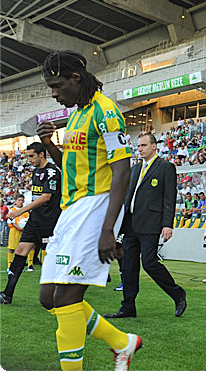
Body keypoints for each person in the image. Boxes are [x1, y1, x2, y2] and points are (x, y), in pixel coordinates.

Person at [36, 50, 142, 370]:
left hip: (96, 207)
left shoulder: (106, 111)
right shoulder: (77, 114)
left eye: (57, 86)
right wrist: (50, 145)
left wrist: (108, 229)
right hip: (71, 208)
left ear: (75, 79)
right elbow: (70, 166)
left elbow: (122, 170)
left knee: (66, 298)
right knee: (48, 297)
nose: (54, 94)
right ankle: (122, 343)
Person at [105, 134, 186, 319]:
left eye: (143, 145)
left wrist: (167, 224)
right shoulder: (135, 169)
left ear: (154, 146)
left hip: (151, 223)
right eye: (138, 146)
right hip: (130, 224)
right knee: (128, 266)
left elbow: (169, 198)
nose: (139, 149)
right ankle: (128, 307)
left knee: (149, 263)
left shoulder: (165, 167)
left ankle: (178, 294)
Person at [1, 143, 62, 305]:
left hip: (49, 222)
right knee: (20, 251)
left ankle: (61, 295)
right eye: (27, 156)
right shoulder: (36, 171)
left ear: (41, 154)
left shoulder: (52, 172)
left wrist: (21, 211)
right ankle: (7, 293)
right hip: (35, 220)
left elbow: (46, 196)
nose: (29, 160)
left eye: (31, 156)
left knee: (53, 257)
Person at [6, 195, 29, 271]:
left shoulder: (25, 210)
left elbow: (27, 220)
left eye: (22, 200)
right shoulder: (12, 210)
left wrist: (23, 227)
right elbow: (11, 221)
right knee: (12, 248)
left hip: (23, 231)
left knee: (22, 249)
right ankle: (9, 266)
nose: (21, 202)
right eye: (19, 200)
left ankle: (19, 266)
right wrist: (19, 227)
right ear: (15, 201)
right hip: (14, 230)